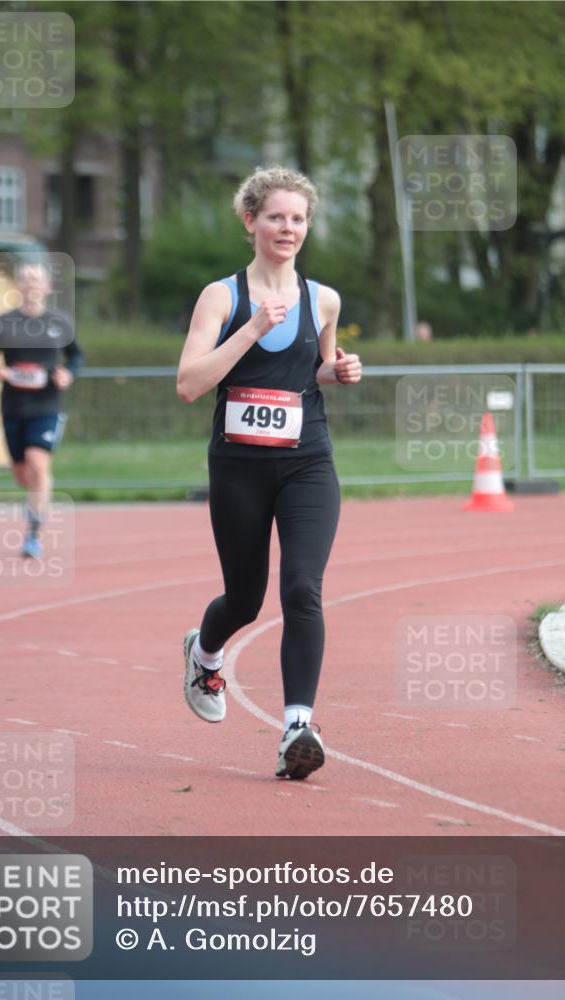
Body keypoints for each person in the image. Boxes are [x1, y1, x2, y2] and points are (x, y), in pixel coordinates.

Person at [177, 166, 362, 780]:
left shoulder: (323, 298)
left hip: (308, 461)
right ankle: (204, 654)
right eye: (277, 216)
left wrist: (339, 371)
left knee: (302, 589)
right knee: (246, 597)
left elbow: (315, 370)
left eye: (299, 218)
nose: (289, 228)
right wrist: (253, 328)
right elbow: (189, 384)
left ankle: (297, 727)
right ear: (250, 220)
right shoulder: (221, 297)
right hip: (239, 467)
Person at [0, 262, 83, 558]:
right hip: (13, 407)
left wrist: (68, 374)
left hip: (46, 406)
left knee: (38, 466)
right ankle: (37, 500)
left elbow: (76, 356)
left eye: (36, 279)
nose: (31, 284)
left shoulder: (59, 322)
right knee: (23, 475)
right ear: (18, 285)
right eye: (25, 279)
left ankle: (33, 535)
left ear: (47, 287)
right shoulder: (4, 323)